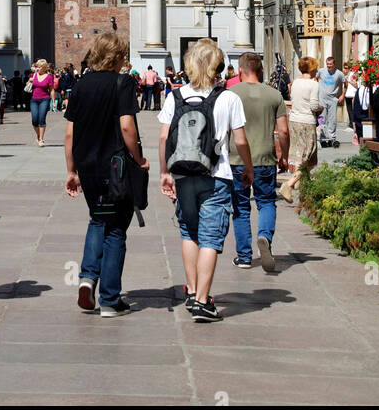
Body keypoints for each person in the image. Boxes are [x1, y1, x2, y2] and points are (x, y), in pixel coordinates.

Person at [158, 40, 252, 322]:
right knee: (211, 237)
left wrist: (164, 173)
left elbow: (164, 138)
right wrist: (247, 167)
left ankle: (192, 291)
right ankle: (202, 302)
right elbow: (240, 140)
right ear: (218, 66)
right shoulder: (228, 98)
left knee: (189, 232)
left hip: (182, 174)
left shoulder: (175, 96)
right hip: (217, 176)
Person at [64, 31, 149, 318]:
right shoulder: (121, 82)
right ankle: (110, 300)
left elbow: (69, 133)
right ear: (117, 55)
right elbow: (127, 126)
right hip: (116, 167)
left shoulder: (81, 84)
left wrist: (71, 170)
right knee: (115, 230)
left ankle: (87, 278)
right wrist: (139, 159)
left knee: (97, 219)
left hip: (87, 167)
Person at [228, 52, 289, 272]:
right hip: (265, 157)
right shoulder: (274, 95)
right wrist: (285, 156)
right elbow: (283, 130)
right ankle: (264, 236)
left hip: (237, 158)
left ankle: (244, 257)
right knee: (265, 202)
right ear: (261, 70)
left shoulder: (230, 94)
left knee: (241, 207)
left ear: (240, 70)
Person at [278, 56, 322, 203]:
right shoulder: (313, 84)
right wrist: (321, 108)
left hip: (294, 120)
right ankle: (289, 184)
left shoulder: (295, 82)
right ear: (312, 68)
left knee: (300, 154)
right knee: (308, 155)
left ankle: (301, 185)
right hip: (307, 121)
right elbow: (314, 106)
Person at [317, 56, 346, 148]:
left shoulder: (339, 74)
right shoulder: (321, 71)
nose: (328, 66)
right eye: (327, 64)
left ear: (334, 64)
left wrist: (342, 95)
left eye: (330, 64)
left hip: (333, 99)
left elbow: (345, 84)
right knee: (322, 118)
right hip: (322, 98)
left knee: (332, 119)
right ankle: (322, 137)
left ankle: (332, 138)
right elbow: (315, 78)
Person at [29, 59, 54, 146]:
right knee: (34, 120)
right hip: (34, 100)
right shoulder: (33, 75)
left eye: (39, 67)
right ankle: (38, 135)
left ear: (44, 68)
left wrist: (53, 102)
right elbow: (27, 85)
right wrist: (30, 81)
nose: (38, 68)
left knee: (42, 119)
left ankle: (41, 139)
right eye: (37, 66)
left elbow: (52, 90)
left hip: (45, 99)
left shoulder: (49, 77)